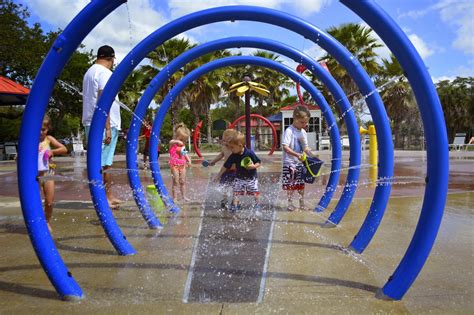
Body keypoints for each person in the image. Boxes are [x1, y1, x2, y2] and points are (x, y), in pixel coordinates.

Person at [82, 45, 123, 209]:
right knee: (102, 164)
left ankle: (108, 196)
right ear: (112, 58)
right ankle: (103, 199)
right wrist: (106, 127)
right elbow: (103, 102)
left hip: (91, 122)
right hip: (105, 123)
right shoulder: (105, 73)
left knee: (102, 163)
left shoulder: (89, 72)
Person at [214, 132, 261, 213]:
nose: (231, 149)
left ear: (240, 146)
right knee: (236, 192)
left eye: (232, 147)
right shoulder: (233, 155)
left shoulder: (249, 153)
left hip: (251, 177)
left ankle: (257, 204)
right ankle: (235, 206)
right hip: (239, 177)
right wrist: (218, 175)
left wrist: (253, 166)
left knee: (254, 191)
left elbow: (258, 162)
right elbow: (225, 166)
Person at [281, 105, 316, 211]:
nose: (305, 125)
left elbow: (305, 148)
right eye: (302, 122)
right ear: (295, 119)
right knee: (290, 185)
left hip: (300, 163)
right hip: (289, 163)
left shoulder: (303, 132)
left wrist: (313, 156)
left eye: (306, 122)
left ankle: (301, 204)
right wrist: (296, 155)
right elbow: (285, 147)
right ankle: (290, 204)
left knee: (301, 185)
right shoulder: (289, 131)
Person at [38, 115, 68, 232]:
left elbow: (64, 149)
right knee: (35, 200)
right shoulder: (30, 140)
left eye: (43, 129)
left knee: (49, 201)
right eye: (39, 129)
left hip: (48, 173)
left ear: (48, 129)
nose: (40, 132)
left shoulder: (48, 139)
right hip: (34, 175)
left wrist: (52, 151)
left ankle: (47, 221)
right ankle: (37, 221)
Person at [208, 129, 237, 208]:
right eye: (223, 139)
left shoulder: (234, 148)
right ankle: (224, 199)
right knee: (224, 185)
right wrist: (213, 162)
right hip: (225, 170)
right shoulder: (224, 147)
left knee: (235, 186)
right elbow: (220, 155)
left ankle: (235, 200)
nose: (223, 141)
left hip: (235, 170)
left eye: (225, 139)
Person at [169, 123, 192, 201]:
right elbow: (171, 142)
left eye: (184, 140)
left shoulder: (183, 146)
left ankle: (184, 196)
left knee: (182, 181)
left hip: (182, 165)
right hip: (174, 165)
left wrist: (188, 160)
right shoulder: (173, 144)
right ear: (176, 136)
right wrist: (176, 142)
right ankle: (175, 198)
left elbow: (184, 153)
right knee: (175, 181)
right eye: (181, 139)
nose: (182, 142)